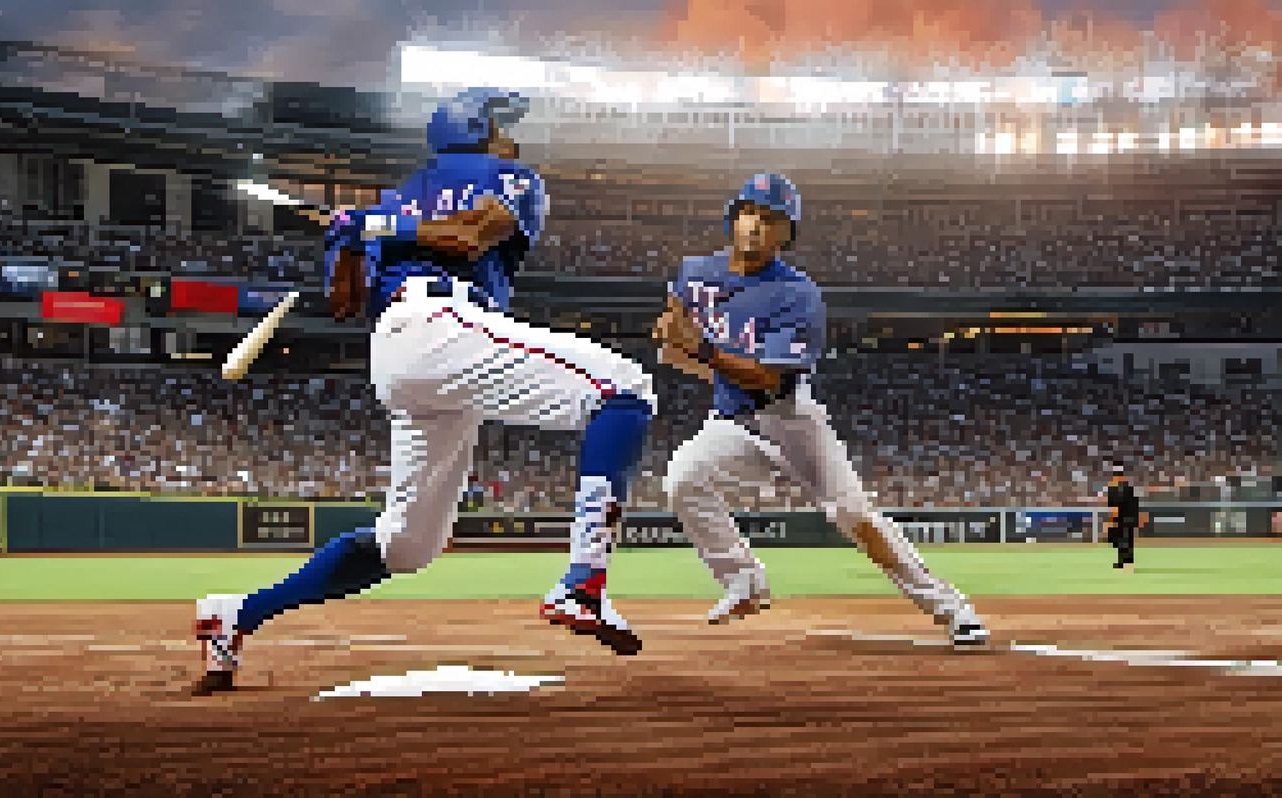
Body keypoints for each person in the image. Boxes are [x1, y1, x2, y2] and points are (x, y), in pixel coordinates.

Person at [191, 88, 656, 695]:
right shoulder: (509, 175)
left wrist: (372, 226)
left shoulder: (389, 204)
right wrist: (351, 241)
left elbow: (459, 242)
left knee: (407, 546)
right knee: (626, 387)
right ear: (479, 129)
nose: (512, 139)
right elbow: (351, 296)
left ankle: (236, 615)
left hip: (411, 358)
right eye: (503, 127)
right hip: (439, 328)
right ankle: (583, 583)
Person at [654, 173, 990, 646]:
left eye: (770, 219)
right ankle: (743, 579)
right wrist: (678, 341)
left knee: (854, 516)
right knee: (682, 477)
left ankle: (951, 607)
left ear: (785, 234)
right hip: (731, 421)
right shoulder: (694, 272)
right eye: (748, 212)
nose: (755, 225)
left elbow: (771, 377)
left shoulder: (798, 294)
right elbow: (672, 332)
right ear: (733, 217)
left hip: (790, 420)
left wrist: (705, 352)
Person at [1104, 469, 1145, 571]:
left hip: (1121, 519)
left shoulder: (1114, 489)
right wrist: (1137, 517)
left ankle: (1122, 561)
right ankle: (1128, 562)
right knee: (1128, 540)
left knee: (1120, 541)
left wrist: (1111, 520)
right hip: (1130, 518)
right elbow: (1135, 503)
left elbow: (1115, 507)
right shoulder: (1130, 488)